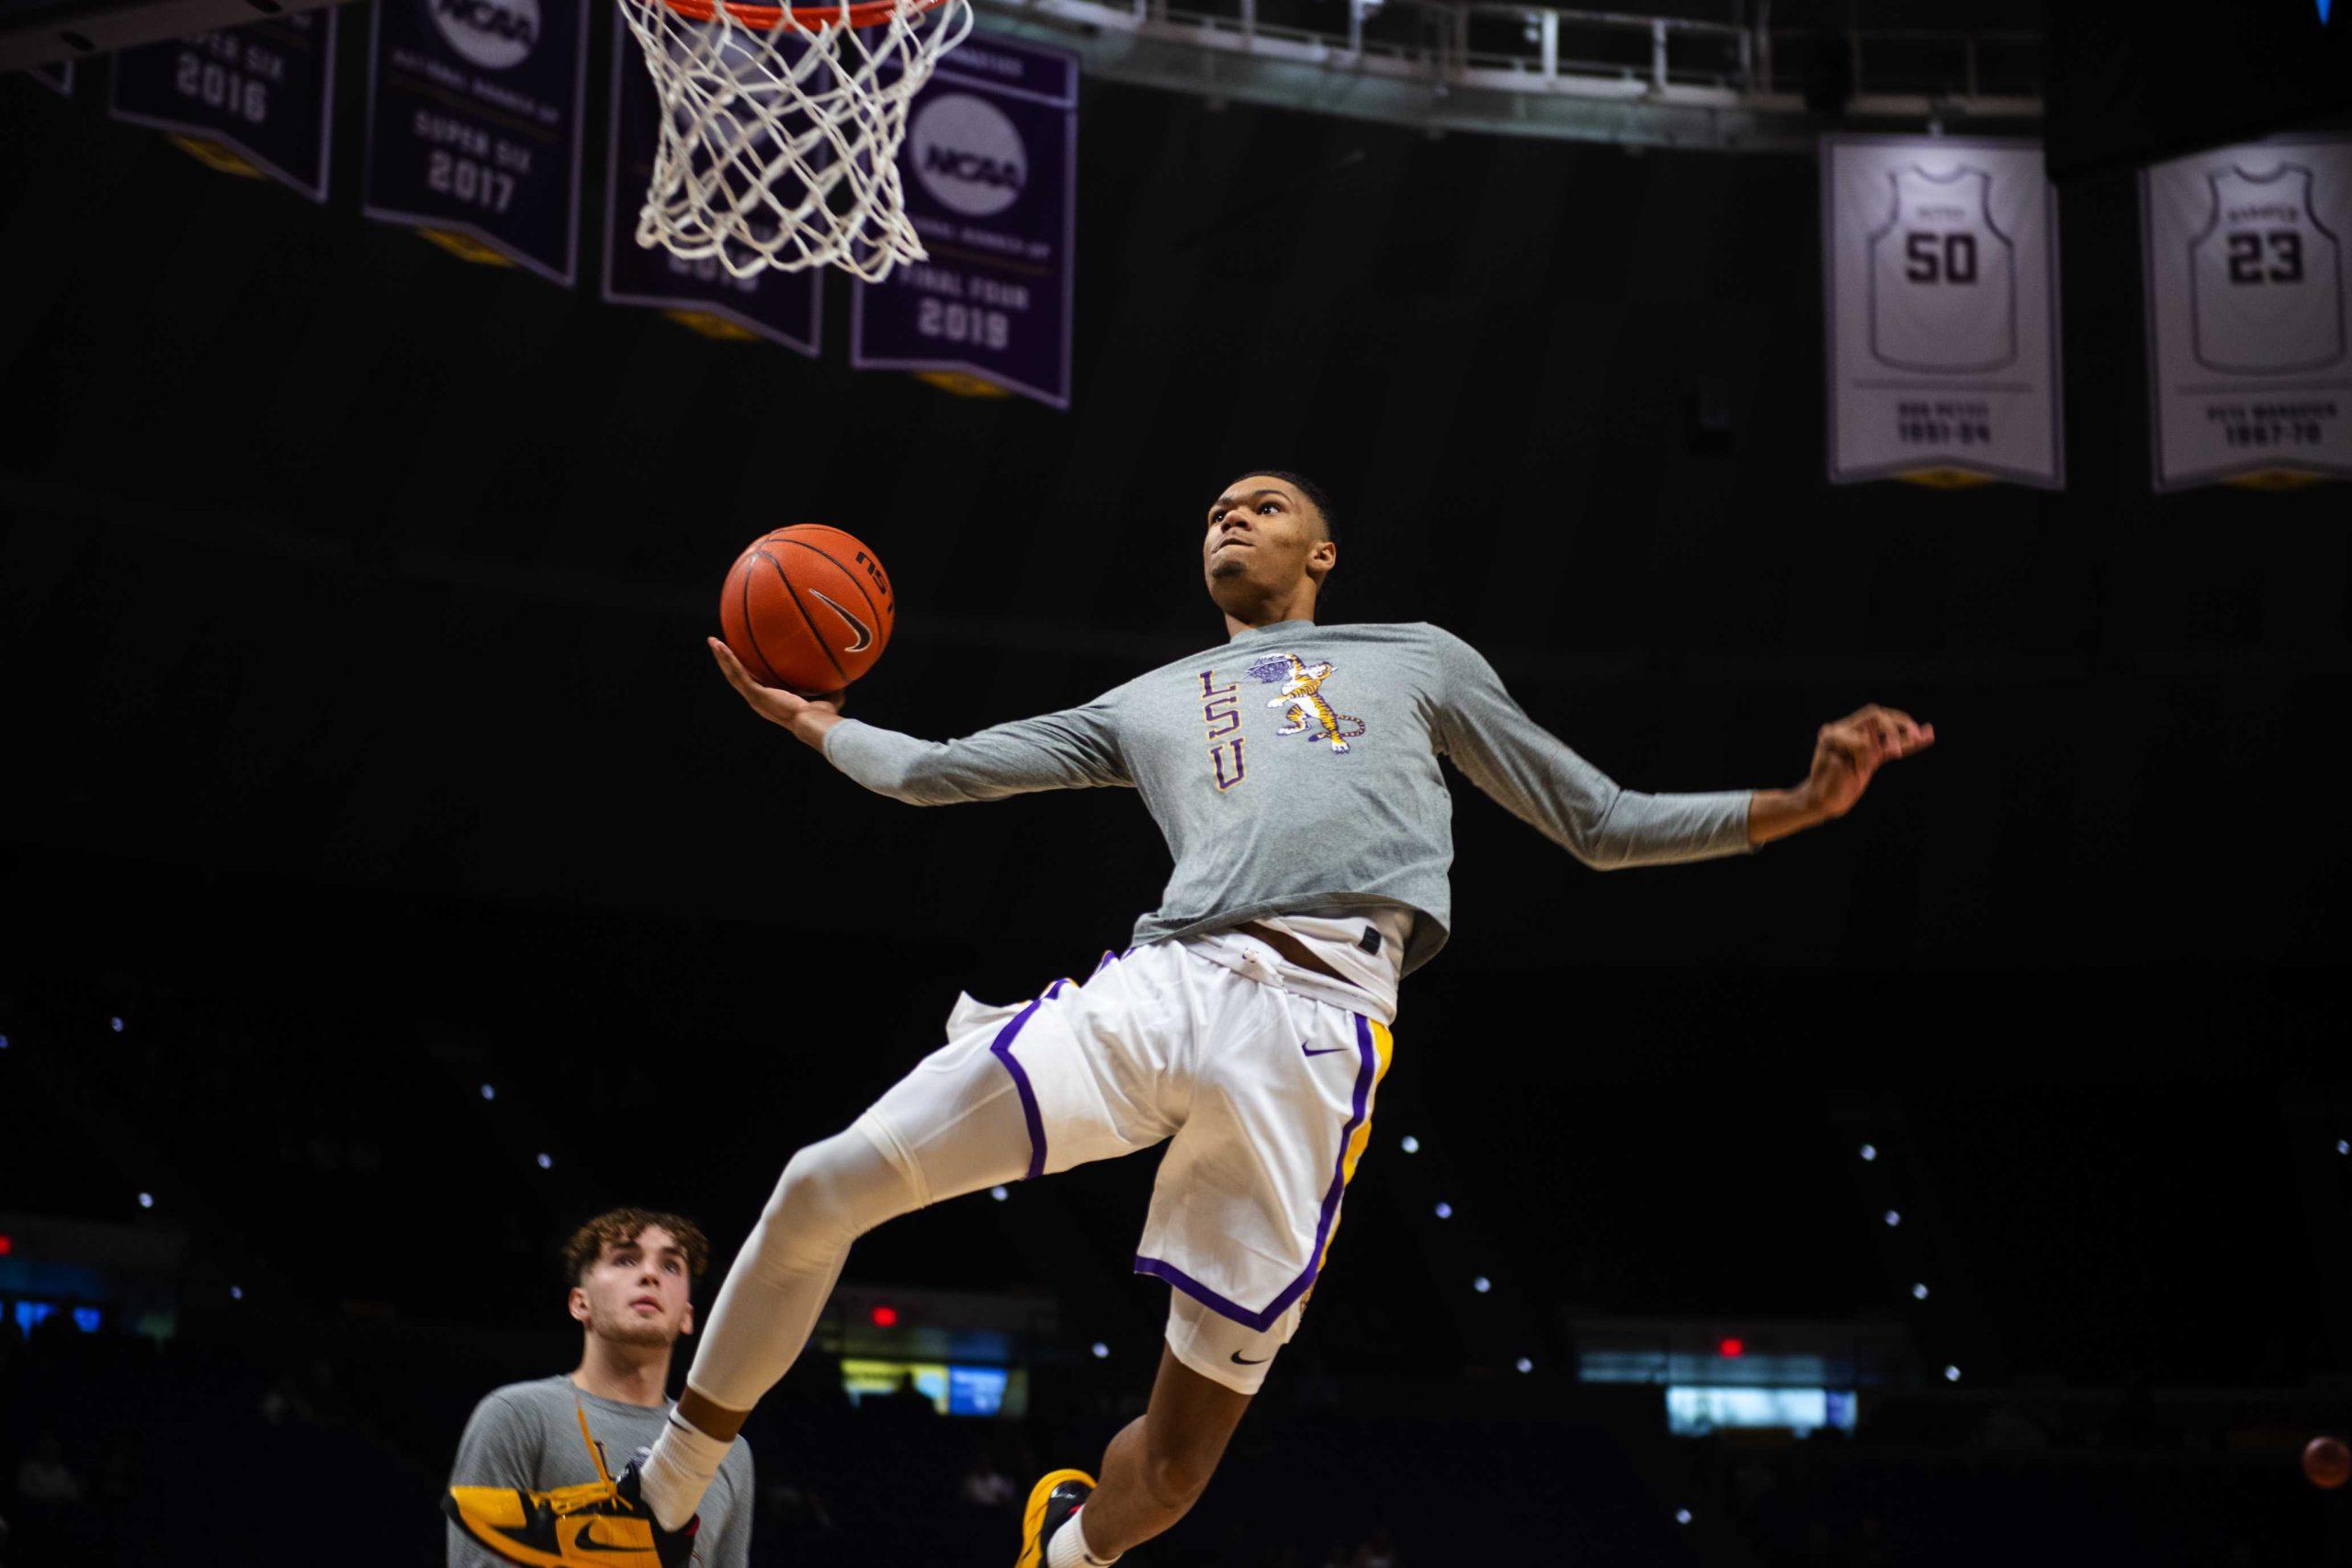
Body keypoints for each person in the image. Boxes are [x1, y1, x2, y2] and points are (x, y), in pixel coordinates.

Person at [453, 470, 1931, 1568]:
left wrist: (1797, 801)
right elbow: (940, 772)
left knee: (1170, 1463)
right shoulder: (1150, 694)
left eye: (1266, 501)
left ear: (1323, 552)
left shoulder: (1418, 655)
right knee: (824, 1180)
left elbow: (1597, 821)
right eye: (1218, 505)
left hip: (1319, 1021)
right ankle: (657, 1503)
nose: (1231, 510)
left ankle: (1074, 1554)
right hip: (1163, 982)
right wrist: (815, 719)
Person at [444, 1209, 754, 1567]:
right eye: (625, 1260)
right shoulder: (517, 1416)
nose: (650, 1274)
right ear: (580, 1303)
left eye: (670, 1266)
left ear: (687, 1315)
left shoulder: (727, 1451)